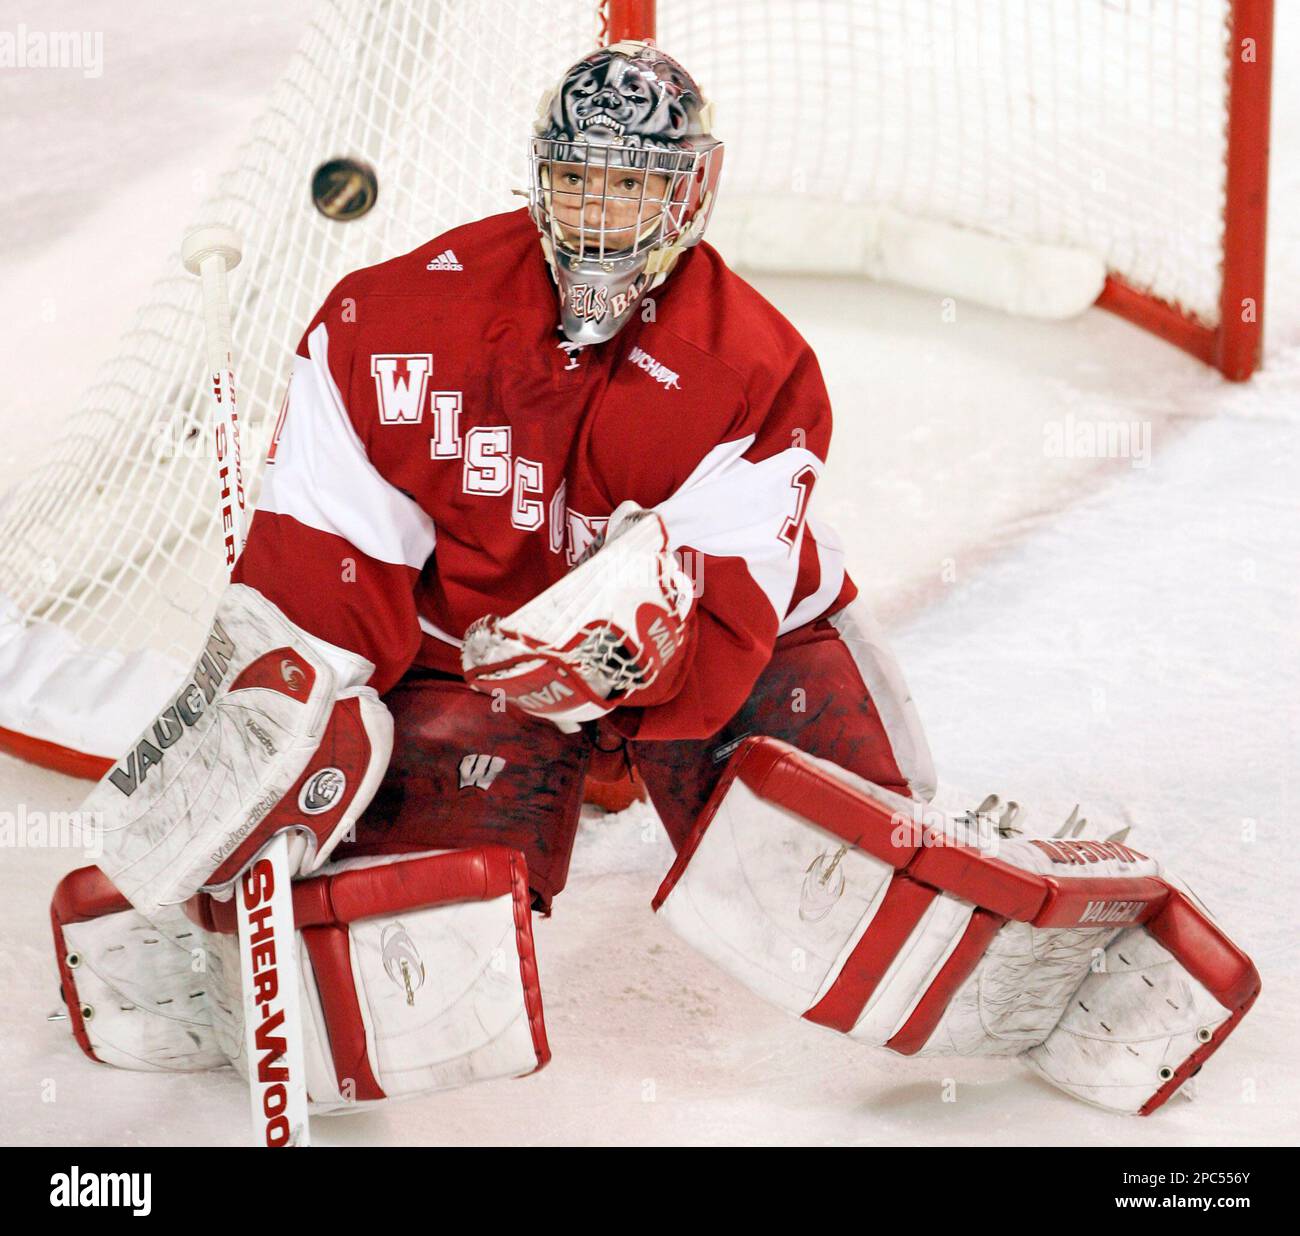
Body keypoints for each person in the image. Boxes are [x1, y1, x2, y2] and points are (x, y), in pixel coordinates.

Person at [53, 41, 1255, 1118]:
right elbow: (324, 565)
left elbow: (737, 585)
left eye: (631, 181)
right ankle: (206, 957)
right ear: (540, 173)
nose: (599, 212)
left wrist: (649, 647)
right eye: (578, 178)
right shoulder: (389, 323)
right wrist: (285, 710)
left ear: (691, 187)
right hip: (476, 662)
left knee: (835, 872)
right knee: (415, 933)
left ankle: (1071, 975)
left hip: (719, 661)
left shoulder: (752, 364)